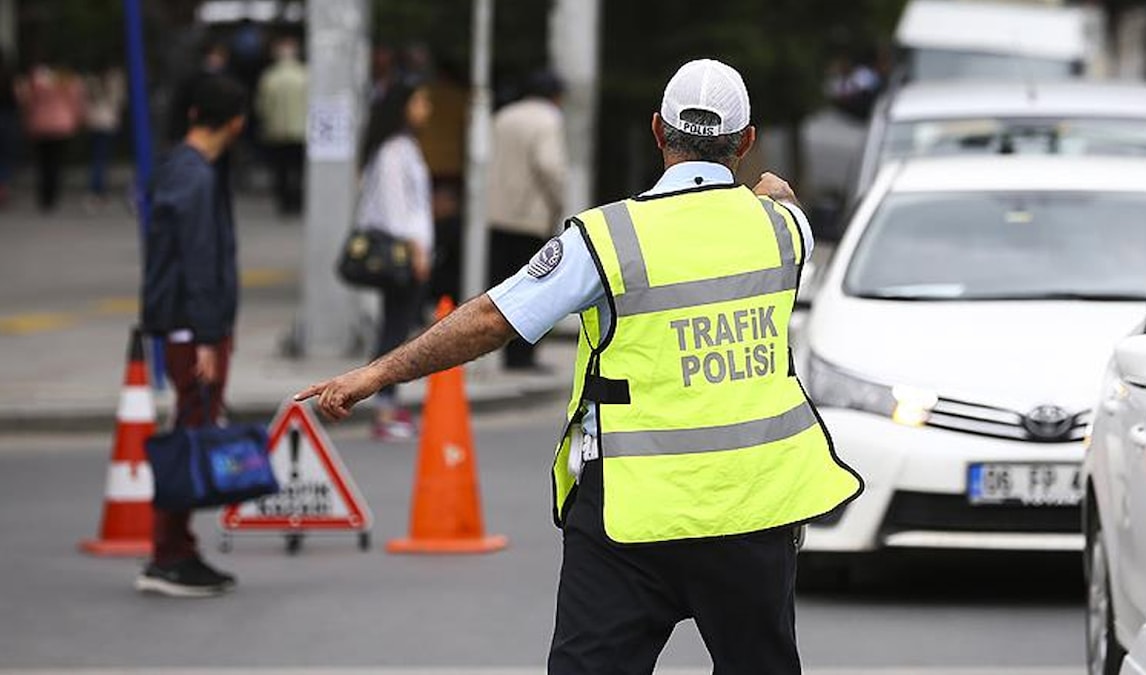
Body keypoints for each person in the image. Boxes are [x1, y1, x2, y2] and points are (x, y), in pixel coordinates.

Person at [299, 59, 863, 674]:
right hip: (753, 510)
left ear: (657, 131)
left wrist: (376, 375)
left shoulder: (607, 238)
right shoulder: (784, 230)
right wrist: (771, 189)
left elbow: (493, 318)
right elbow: (780, 196)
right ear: (747, 140)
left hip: (630, 514)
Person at [138, 75, 247, 597]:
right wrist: (208, 337)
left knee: (191, 426)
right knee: (190, 434)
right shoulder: (196, 177)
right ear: (236, 122)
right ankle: (169, 554)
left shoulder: (178, 167)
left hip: (187, 324)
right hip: (192, 328)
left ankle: (176, 548)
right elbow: (199, 262)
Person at [353, 83, 435, 441]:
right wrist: (416, 250)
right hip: (402, 254)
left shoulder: (403, 146)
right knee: (394, 330)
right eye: (420, 100)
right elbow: (394, 209)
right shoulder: (393, 150)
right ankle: (384, 406)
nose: (426, 107)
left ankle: (388, 402)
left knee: (397, 326)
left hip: (410, 250)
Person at [486, 69, 567, 371]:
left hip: (497, 213)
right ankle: (523, 356)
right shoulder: (548, 119)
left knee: (504, 286)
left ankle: (507, 353)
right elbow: (549, 165)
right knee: (535, 289)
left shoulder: (503, 116)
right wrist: (558, 202)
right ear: (556, 96)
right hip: (530, 216)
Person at [16, 58, 82, 212]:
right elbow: (75, 101)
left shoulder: (35, 79)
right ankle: (53, 195)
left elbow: (26, 101)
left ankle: (44, 196)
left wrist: (27, 119)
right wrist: (77, 118)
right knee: (56, 162)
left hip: (40, 125)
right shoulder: (66, 79)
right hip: (61, 124)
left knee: (42, 162)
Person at [255, 37, 308, 215]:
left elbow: (262, 105)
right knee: (298, 168)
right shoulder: (305, 75)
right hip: (301, 130)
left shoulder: (270, 77)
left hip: (277, 130)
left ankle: (285, 201)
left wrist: (266, 123)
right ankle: (297, 200)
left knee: (281, 169)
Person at [82, 64, 127, 210]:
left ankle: (97, 190)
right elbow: (120, 100)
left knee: (97, 157)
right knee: (102, 158)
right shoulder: (114, 79)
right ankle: (99, 190)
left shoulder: (91, 81)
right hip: (107, 122)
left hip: (94, 121)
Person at [0, 49, 18, 208]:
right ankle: (3, 189)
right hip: (6, 118)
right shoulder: (7, 76)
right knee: (5, 155)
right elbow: (14, 100)